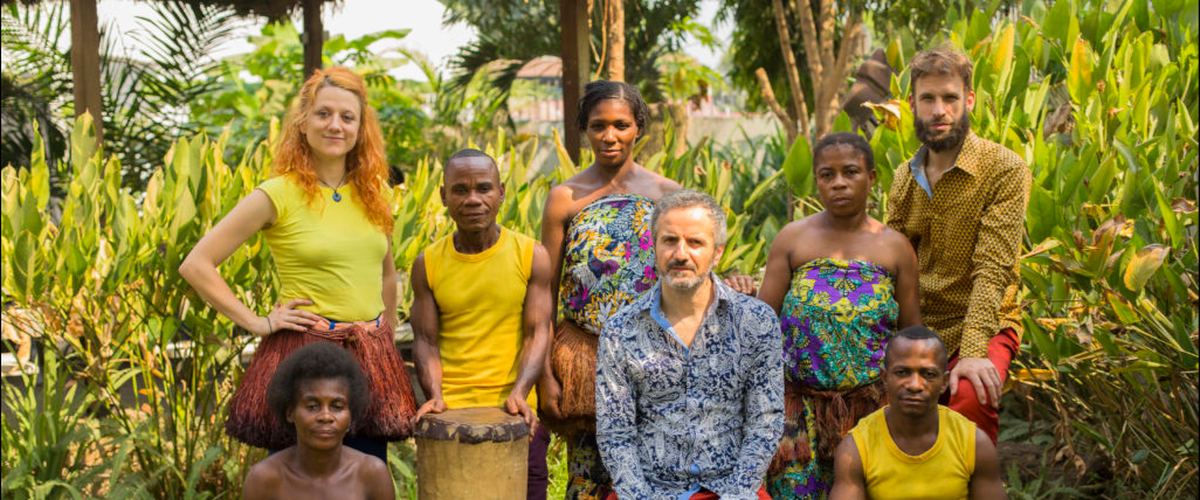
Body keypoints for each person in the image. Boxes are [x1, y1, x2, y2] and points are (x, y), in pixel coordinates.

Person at [180, 67, 415, 460]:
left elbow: (387, 272)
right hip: (305, 361)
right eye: (324, 114)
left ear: (361, 128)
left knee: (365, 474)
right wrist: (258, 322)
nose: (335, 125)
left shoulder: (374, 193)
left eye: (347, 117)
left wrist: (385, 337)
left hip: (369, 362)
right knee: (298, 481)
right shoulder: (277, 194)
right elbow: (197, 263)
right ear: (303, 123)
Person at [744, 132, 920, 499]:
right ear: (817, 180)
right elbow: (760, 325)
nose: (838, 182)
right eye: (827, 174)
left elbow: (912, 337)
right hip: (798, 417)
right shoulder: (793, 240)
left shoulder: (895, 248)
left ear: (871, 179)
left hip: (871, 413)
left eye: (850, 172)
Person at [537, 80, 681, 500]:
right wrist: (546, 374)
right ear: (584, 128)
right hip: (586, 360)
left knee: (655, 477)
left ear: (639, 127)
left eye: (621, 124)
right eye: (598, 125)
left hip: (654, 360)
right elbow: (545, 291)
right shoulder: (565, 198)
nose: (610, 136)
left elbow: (689, 280)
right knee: (589, 478)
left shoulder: (668, 195)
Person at [596, 189, 784, 500]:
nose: (681, 254)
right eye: (670, 240)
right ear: (654, 247)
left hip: (729, 490)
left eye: (695, 242)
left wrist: (737, 494)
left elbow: (765, 421)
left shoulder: (755, 321)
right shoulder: (621, 328)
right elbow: (615, 432)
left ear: (718, 252)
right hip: (648, 490)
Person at [886, 46, 1031, 443]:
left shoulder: (1004, 169)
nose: (939, 110)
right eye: (928, 99)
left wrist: (971, 352)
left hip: (985, 319)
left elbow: (993, 269)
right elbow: (888, 267)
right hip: (919, 321)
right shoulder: (903, 177)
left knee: (970, 393)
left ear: (968, 101)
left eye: (949, 98)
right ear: (912, 104)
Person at [409, 148, 554, 499]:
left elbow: (538, 332)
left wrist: (520, 393)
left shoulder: (530, 254)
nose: (473, 199)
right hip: (452, 411)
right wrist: (436, 397)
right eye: (460, 190)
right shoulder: (427, 263)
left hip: (516, 410)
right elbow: (426, 341)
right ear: (444, 196)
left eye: (484, 188)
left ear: (501, 192)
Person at [829, 326, 1006, 500]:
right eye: (902, 372)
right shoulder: (857, 448)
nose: (915, 385)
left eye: (928, 374)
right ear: (885, 378)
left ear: (944, 382)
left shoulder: (973, 443)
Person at [242, 342, 395, 500]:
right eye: (312, 406)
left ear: (351, 413)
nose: (326, 416)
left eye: (337, 406)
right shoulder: (265, 479)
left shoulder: (371, 474)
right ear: (290, 413)